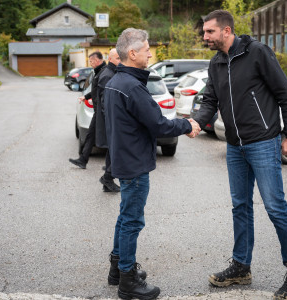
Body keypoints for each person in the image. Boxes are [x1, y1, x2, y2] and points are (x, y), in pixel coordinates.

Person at [193, 10, 287, 299]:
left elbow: (285, 94)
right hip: (235, 146)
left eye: (209, 32)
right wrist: (194, 122)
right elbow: (210, 99)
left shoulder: (257, 52)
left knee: (275, 207)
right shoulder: (216, 62)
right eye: (204, 32)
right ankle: (241, 267)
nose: (205, 36)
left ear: (227, 31)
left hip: (263, 142)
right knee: (240, 206)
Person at [104, 28, 200, 300]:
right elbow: (158, 124)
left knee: (124, 217)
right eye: (146, 49)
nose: (150, 53)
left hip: (124, 159)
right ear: (132, 54)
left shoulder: (115, 81)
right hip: (134, 164)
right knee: (132, 220)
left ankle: (117, 269)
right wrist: (187, 124)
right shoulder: (132, 86)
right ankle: (127, 281)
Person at [69, 51, 106, 169]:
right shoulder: (98, 72)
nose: (90, 63)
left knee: (109, 137)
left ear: (97, 60)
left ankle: (112, 165)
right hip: (98, 111)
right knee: (91, 135)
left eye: (91, 61)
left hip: (102, 111)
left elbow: (103, 93)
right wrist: (86, 96)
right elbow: (95, 91)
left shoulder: (103, 73)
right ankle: (83, 160)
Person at [95, 48, 121, 192]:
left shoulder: (112, 73)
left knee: (112, 151)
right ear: (110, 59)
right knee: (116, 150)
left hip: (111, 121)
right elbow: (106, 102)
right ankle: (107, 177)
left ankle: (107, 181)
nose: (120, 61)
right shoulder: (107, 75)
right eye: (117, 58)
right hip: (110, 121)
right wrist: (113, 120)